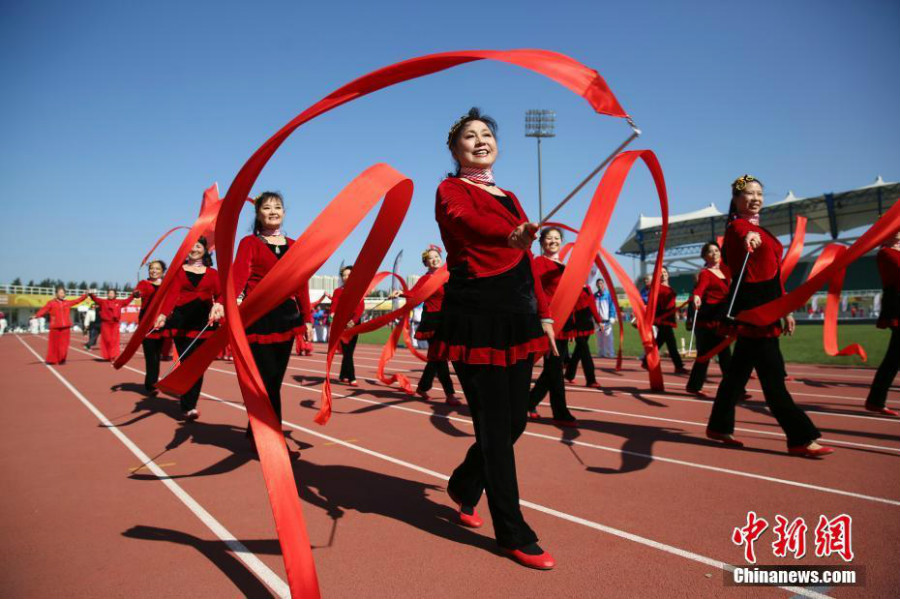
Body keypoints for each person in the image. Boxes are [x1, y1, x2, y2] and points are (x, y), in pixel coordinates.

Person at [429, 108, 557, 569]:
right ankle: (512, 530)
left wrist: (543, 313)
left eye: (486, 134)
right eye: (470, 136)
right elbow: (466, 223)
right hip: (477, 315)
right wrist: (511, 233)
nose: (480, 140)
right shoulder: (450, 190)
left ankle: (465, 484)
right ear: (454, 148)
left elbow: (526, 265)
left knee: (515, 422)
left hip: (519, 316)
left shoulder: (512, 195)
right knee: (495, 428)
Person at [706, 175, 833, 457]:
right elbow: (740, 237)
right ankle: (800, 437)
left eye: (759, 193)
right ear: (736, 199)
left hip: (767, 307)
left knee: (737, 375)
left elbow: (773, 274)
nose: (756, 198)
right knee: (773, 378)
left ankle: (718, 425)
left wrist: (784, 309)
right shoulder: (739, 227)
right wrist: (749, 237)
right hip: (756, 311)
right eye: (749, 194)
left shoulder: (757, 228)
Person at [233, 191, 313, 433]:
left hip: (287, 318)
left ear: (284, 213)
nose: (273, 211)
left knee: (274, 381)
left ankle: (255, 429)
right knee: (267, 380)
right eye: (266, 208)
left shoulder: (295, 246)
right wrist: (225, 303)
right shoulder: (250, 243)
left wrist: (307, 318)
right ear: (258, 214)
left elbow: (301, 285)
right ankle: (273, 439)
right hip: (259, 318)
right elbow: (238, 277)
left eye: (277, 207)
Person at [155, 237, 224, 420]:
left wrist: (219, 306)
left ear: (205, 250)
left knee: (198, 366)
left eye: (198, 246)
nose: (194, 249)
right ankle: (187, 405)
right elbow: (171, 295)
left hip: (204, 323)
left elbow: (220, 294)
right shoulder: (178, 271)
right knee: (187, 363)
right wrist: (162, 315)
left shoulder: (213, 273)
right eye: (191, 246)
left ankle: (190, 403)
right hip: (182, 323)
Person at [391, 247, 460, 404]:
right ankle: (450, 394)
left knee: (437, 357)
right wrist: (400, 293)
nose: (435, 259)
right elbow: (415, 293)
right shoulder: (425, 279)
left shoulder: (449, 275)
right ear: (425, 263)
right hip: (432, 321)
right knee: (440, 357)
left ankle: (423, 387)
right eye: (431, 258)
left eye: (437, 256)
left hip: (448, 320)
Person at [528, 227, 578, 424]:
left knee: (553, 368)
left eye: (557, 238)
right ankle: (560, 412)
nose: (553, 241)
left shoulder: (565, 265)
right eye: (549, 238)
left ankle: (528, 402)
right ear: (541, 243)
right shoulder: (539, 262)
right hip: (548, 321)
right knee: (554, 369)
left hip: (564, 322)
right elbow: (534, 289)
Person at [685, 242, 733, 396]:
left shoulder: (726, 272)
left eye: (716, 250)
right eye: (710, 252)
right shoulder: (705, 273)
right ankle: (694, 386)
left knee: (725, 356)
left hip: (721, 320)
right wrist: (697, 296)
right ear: (705, 256)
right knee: (705, 356)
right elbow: (700, 288)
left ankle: (736, 388)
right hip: (707, 322)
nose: (715, 253)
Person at [864, 230, 900, 417]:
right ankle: (875, 400)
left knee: (893, 359)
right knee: (893, 359)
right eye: (894, 231)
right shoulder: (885, 253)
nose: (898, 234)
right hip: (897, 304)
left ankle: (875, 400)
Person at [642, 266, 687, 374]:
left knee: (660, 342)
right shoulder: (657, 287)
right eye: (661, 272)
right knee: (671, 344)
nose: (663, 274)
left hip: (668, 318)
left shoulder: (668, 287)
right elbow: (655, 303)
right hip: (663, 319)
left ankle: (646, 361)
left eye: (665, 272)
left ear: (668, 273)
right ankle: (678, 365)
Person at [134, 260, 167, 392]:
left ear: (162, 271)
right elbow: (139, 291)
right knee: (150, 356)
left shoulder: (166, 284)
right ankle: (151, 384)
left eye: (157, 269)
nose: (154, 271)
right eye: (151, 269)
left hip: (161, 322)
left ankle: (153, 381)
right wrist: (137, 293)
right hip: (147, 323)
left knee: (157, 355)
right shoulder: (144, 283)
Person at [35, 286, 88, 364]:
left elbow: (77, 301)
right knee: (53, 345)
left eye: (63, 292)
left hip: (65, 327)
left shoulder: (67, 302)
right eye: (60, 292)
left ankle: (62, 359)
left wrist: (85, 295)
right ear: (56, 294)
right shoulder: (51, 303)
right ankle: (51, 360)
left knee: (64, 345)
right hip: (55, 327)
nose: (62, 294)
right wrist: (36, 315)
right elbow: (44, 309)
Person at [330, 265, 364, 387]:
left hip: (354, 325)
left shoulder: (358, 290)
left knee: (349, 351)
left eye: (349, 275)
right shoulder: (338, 291)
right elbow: (334, 306)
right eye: (344, 275)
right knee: (347, 351)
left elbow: (360, 307)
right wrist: (333, 315)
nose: (346, 277)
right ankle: (352, 377)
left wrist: (354, 321)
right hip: (342, 325)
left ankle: (343, 374)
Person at [564, 285, 602, 387]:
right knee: (585, 351)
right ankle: (591, 379)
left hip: (587, 322)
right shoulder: (571, 286)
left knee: (579, 351)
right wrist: (570, 327)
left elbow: (592, 304)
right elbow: (569, 307)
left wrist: (599, 321)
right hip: (576, 323)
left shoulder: (587, 288)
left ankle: (569, 374)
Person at [89, 288, 135, 361]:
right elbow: (95, 299)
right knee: (107, 340)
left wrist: (133, 295)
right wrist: (91, 295)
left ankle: (113, 356)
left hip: (115, 324)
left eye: (112, 293)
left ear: (115, 294)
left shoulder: (119, 302)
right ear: (107, 294)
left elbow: (127, 301)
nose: (111, 294)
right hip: (105, 324)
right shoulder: (103, 302)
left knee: (114, 340)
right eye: (109, 293)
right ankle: (107, 356)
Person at [594, 277, 617, 359]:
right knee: (599, 339)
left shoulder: (608, 295)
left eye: (601, 283)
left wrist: (612, 317)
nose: (600, 285)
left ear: (603, 284)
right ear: (596, 285)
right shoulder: (595, 295)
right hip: (598, 321)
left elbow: (612, 306)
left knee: (608, 338)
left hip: (606, 321)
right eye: (598, 283)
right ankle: (601, 353)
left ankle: (611, 353)